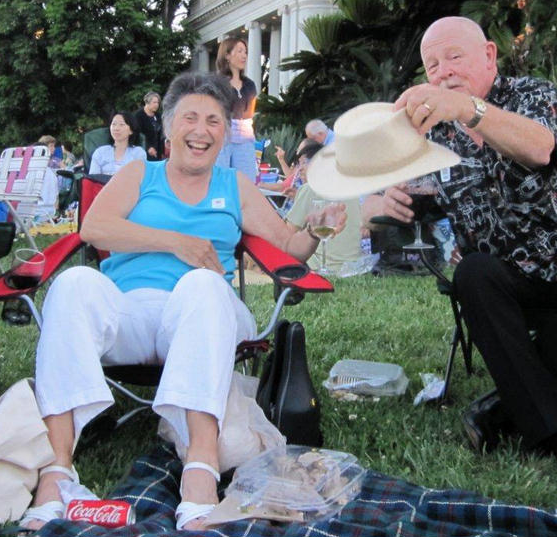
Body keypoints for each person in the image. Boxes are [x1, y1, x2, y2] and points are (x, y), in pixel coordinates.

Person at [19, 71, 345, 531]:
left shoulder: (234, 186)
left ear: (224, 133)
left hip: (204, 316)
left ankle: (201, 472)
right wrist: (176, 242)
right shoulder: (140, 173)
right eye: (190, 117)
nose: (201, 130)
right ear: (169, 127)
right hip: (128, 311)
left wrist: (315, 227)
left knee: (203, 285)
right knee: (73, 284)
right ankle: (56, 471)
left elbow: (290, 246)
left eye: (214, 121)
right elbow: (93, 228)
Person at [362, 16, 557, 480]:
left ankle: (502, 413)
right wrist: (384, 196)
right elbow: (395, 196)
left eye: (454, 56)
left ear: (489, 55)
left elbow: (538, 149)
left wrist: (467, 108)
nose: (444, 71)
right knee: (474, 272)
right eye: (432, 64)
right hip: (501, 282)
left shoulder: (534, 96)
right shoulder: (434, 136)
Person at [286, 142, 364, 273]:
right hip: (352, 266)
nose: (299, 169)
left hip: (319, 266)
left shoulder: (310, 188)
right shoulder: (351, 187)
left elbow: (287, 235)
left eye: (303, 163)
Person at [214, 37, 257, 180]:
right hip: (222, 138)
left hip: (245, 138)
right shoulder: (217, 83)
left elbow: (250, 114)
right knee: (220, 180)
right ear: (227, 55)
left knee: (247, 182)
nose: (244, 55)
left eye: (245, 52)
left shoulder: (250, 85)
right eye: (239, 51)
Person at [89, 111, 147, 175]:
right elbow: (92, 180)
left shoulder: (138, 153)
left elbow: (139, 179)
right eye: (113, 124)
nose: (116, 128)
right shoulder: (100, 152)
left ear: (131, 131)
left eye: (121, 124)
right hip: (103, 185)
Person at [134, 91, 164, 161]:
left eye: (158, 103)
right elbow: (137, 135)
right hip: (144, 152)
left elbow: (160, 133)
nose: (157, 105)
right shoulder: (138, 116)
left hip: (158, 152)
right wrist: (148, 147)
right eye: (154, 102)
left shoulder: (158, 115)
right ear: (147, 102)